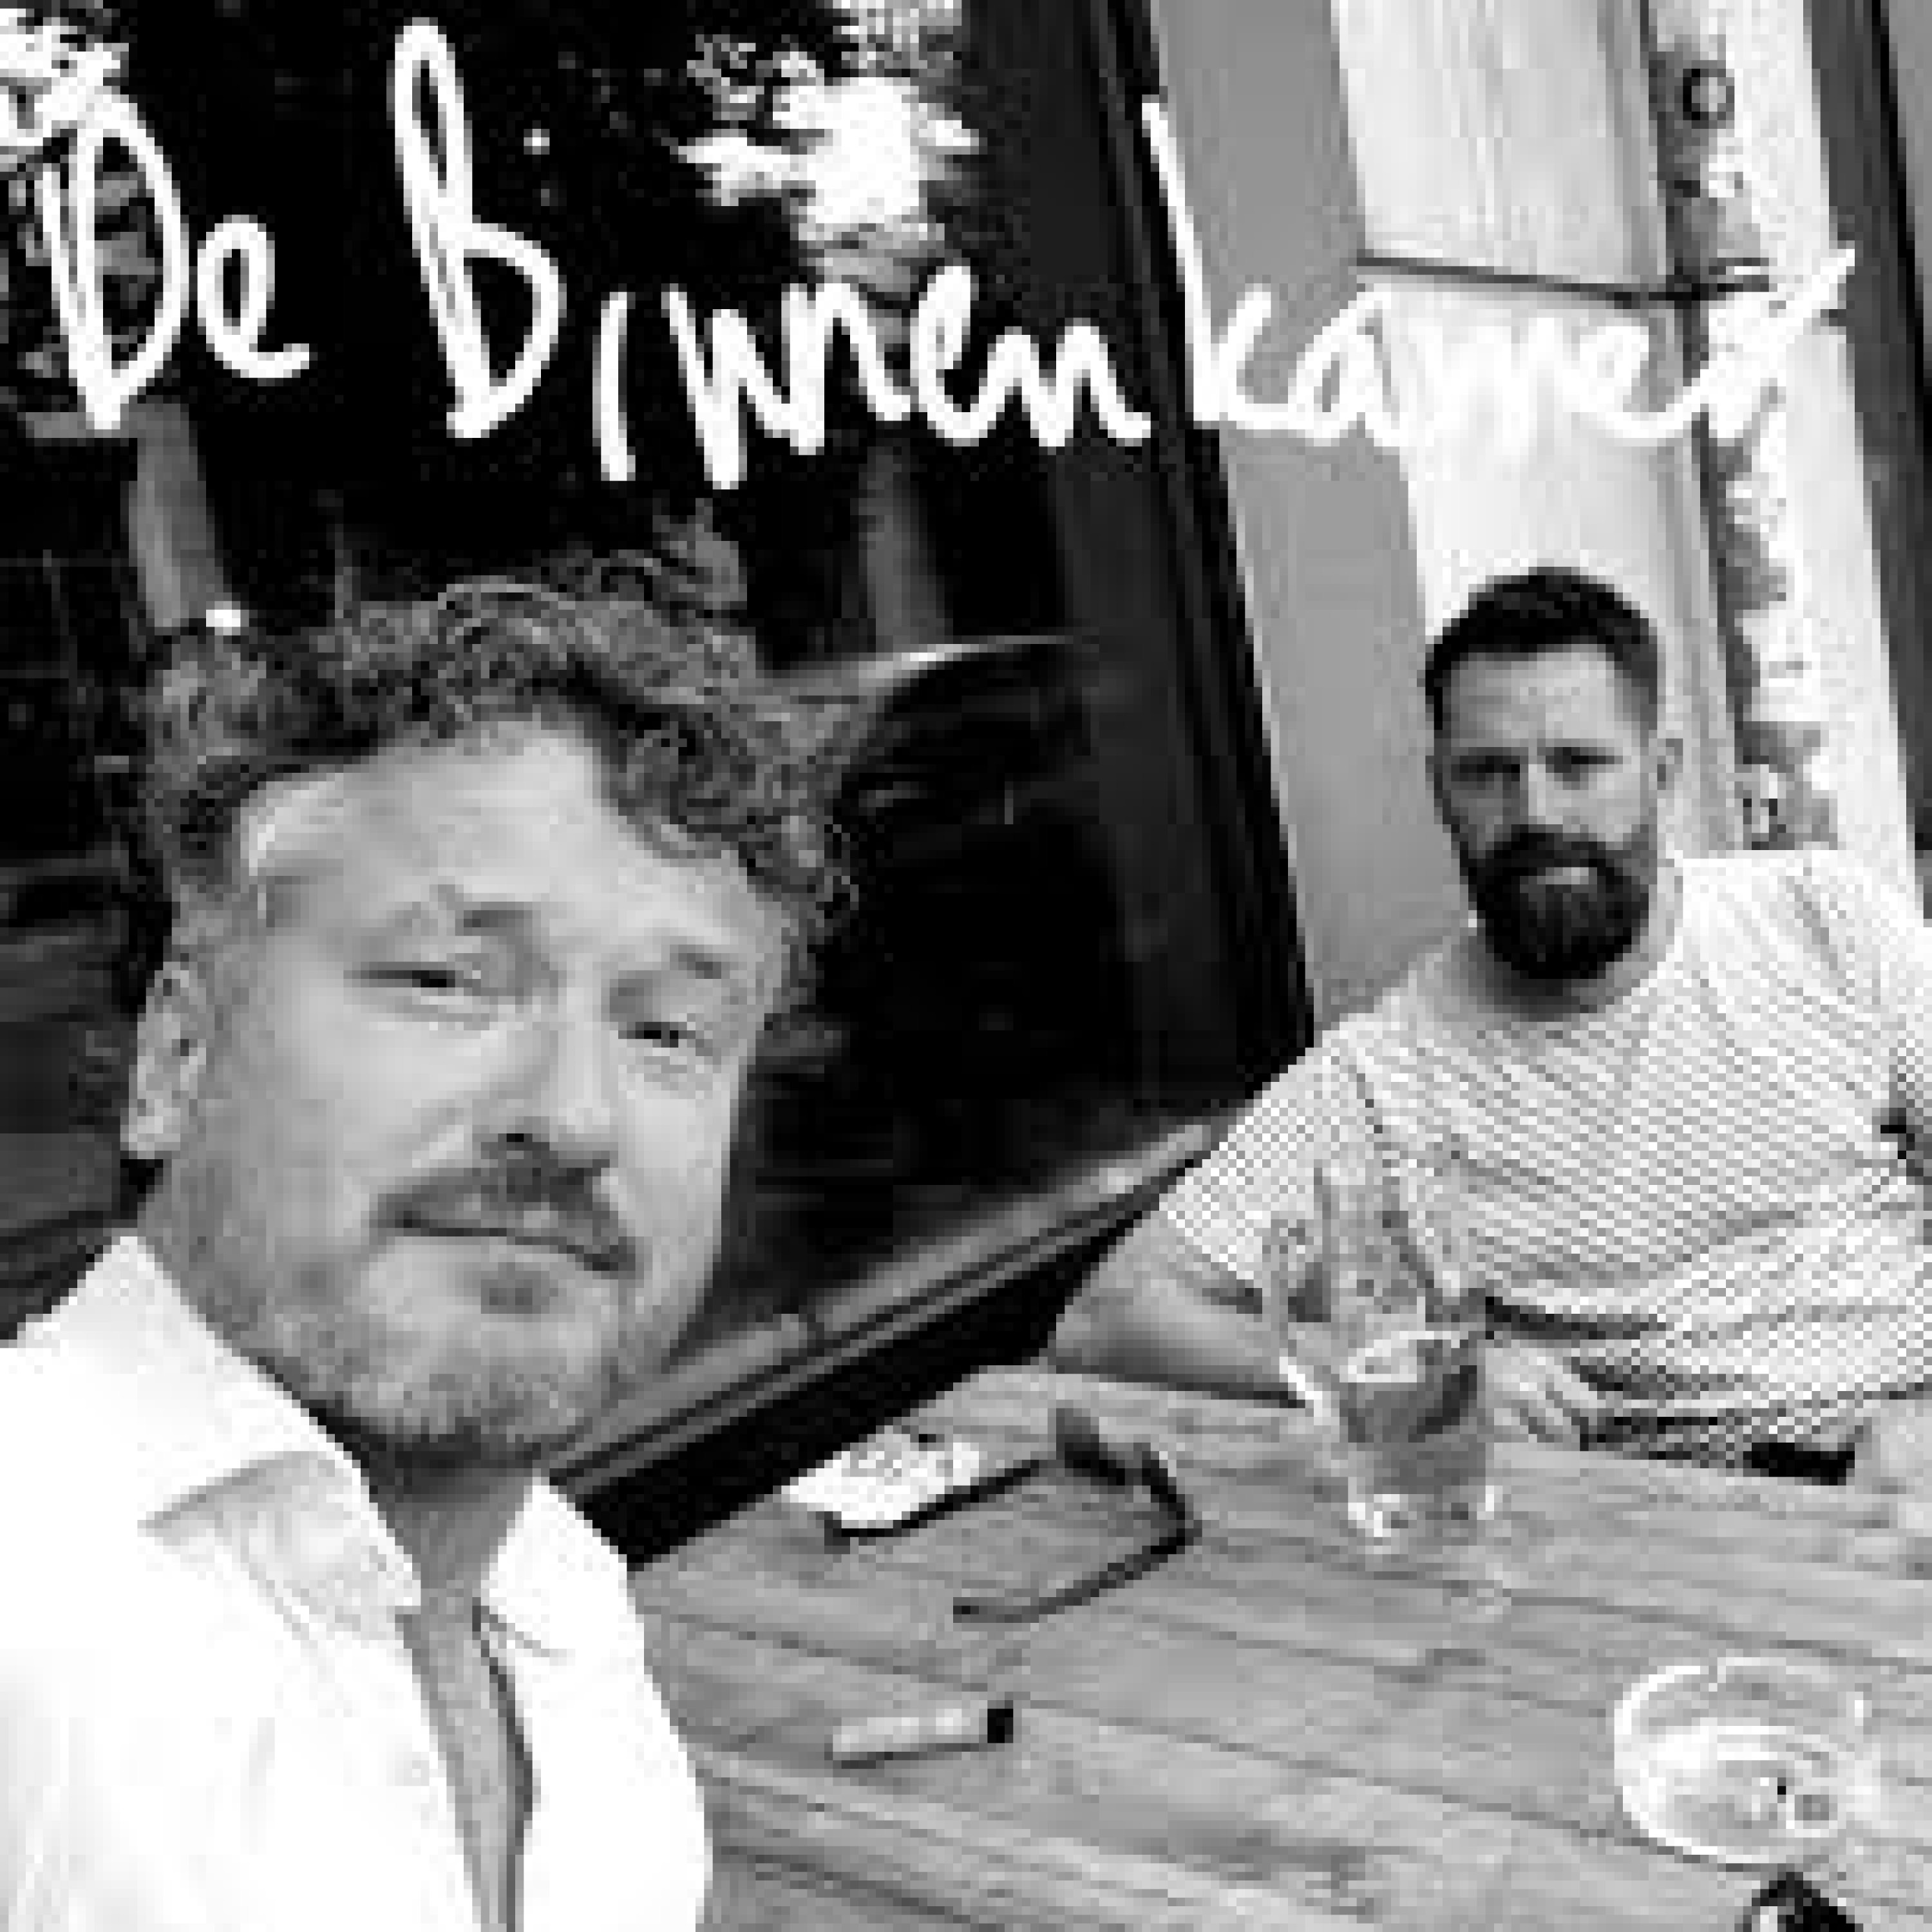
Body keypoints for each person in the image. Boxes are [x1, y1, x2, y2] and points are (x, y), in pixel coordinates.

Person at [0, 577, 840, 1931]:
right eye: (446, 981)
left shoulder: (561, 1600)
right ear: (176, 1057)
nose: (573, 1117)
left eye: (667, 1033)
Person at [1051, 565, 1932, 1481]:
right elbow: (1106, 1323)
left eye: (1579, 766)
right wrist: (1401, 1372)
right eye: (1489, 774)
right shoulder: (1386, 1071)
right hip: (1679, 1514)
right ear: (1440, 791)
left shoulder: (1823, 918)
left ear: (1662, 772)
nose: (1536, 814)